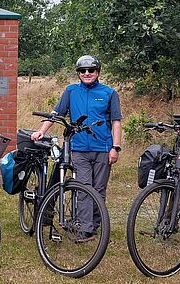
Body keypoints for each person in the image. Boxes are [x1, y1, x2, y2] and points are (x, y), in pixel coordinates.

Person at [31, 55, 122, 241]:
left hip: (103, 148)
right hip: (79, 148)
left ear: (98, 72)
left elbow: (116, 122)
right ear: (78, 73)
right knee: (84, 187)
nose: (87, 73)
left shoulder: (109, 93)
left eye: (91, 70)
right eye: (82, 71)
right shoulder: (71, 91)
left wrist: (116, 147)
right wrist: (41, 131)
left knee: (99, 189)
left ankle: (95, 224)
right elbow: (56, 114)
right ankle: (85, 228)